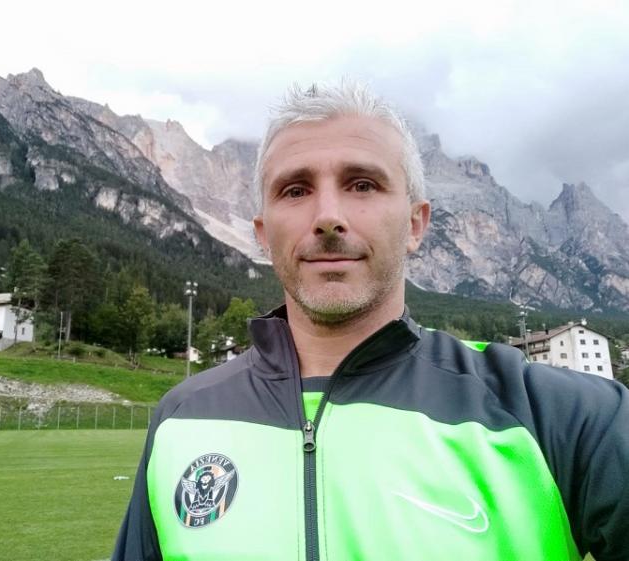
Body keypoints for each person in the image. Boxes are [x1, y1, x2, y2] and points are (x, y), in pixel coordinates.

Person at [111, 82, 629, 561]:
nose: (327, 216)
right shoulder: (180, 418)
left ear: (415, 223)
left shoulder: (557, 415)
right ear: (263, 235)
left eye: (362, 184)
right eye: (296, 190)